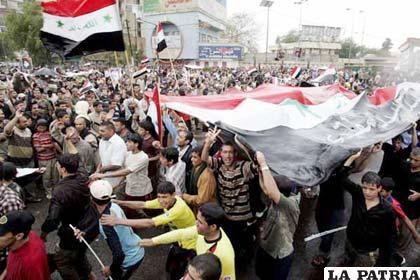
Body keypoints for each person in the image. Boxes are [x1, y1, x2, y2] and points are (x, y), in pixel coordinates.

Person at [101, 181, 196, 280]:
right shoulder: (165, 201)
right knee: (170, 267)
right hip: (177, 239)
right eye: (159, 197)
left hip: (188, 243)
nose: (161, 201)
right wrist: (120, 202)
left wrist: (117, 220)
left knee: (177, 271)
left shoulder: (178, 209)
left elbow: (150, 223)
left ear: (173, 195)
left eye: (164, 197)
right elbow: (143, 204)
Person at [201, 128, 259, 265]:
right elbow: (205, 159)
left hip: (242, 219)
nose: (228, 156)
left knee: (245, 244)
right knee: (230, 244)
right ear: (220, 154)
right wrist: (207, 144)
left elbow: (257, 166)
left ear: (236, 154)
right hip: (226, 216)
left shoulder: (243, 167)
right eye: (225, 152)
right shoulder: (219, 164)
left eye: (231, 152)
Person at [140, 202, 236, 280]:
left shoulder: (224, 253)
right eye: (197, 219)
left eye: (200, 222)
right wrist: (153, 241)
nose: (195, 223)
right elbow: (181, 234)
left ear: (213, 226)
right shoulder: (205, 231)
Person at [41, 154, 97, 280]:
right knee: (80, 256)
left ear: (63, 169)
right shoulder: (83, 177)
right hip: (88, 227)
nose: (56, 166)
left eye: (58, 165)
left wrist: (44, 233)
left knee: (63, 262)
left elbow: (53, 219)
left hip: (72, 231)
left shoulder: (60, 190)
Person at [76, 180, 144, 280]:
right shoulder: (111, 204)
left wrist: (111, 269)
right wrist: (85, 232)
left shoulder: (107, 225)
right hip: (137, 248)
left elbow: (119, 255)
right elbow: (99, 221)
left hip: (130, 258)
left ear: (91, 198)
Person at [339, 151, 397, 266]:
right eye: (364, 188)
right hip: (350, 242)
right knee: (347, 263)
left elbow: (390, 235)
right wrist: (352, 158)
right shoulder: (358, 193)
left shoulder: (387, 209)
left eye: (371, 189)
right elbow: (341, 177)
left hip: (367, 250)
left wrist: (384, 262)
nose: (367, 192)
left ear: (379, 188)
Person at [255, 152, 300, 280]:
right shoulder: (279, 197)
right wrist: (259, 169)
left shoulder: (291, 204)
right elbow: (265, 188)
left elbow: (271, 191)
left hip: (280, 255)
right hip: (266, 247)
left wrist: (264, 164)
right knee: (262, 275)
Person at [91, 134, 153, 218]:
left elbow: (127, 171)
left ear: (136, 144)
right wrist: (118, 184)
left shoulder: (143, 157)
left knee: (147, 207)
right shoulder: (128, 154)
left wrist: (103, 175)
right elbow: (125, 170)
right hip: (130, 187)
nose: (126, 144)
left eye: (129, 142)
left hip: (141, 188)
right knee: (130, 208)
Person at [0, 211, 50, 280]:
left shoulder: (31, 264)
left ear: (19, 236)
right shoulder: (27, 236)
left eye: (1, 235)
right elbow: (11, 263)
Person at [4, 110, 40, 202]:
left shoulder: (28, 130)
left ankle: (29, 197)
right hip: (16, 161)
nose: (27, 123)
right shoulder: (13, 130)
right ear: (17, 123)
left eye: (27, 121)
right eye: (24, 122)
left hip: (28, 161)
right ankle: (19, 200)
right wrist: (16, 117)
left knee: (28, 181)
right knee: (18, 181)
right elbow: (7, 130)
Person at [379, 177, 420, 245]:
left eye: (382, 191)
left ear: (389, 192)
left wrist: (415, 235)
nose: (379, 192)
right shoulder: (376, 196)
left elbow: (405, 218)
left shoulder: (394, 204)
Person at [182, 146, 217, 212]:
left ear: (203, 158)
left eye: (195, 157)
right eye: (191, 157)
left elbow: (202, 200)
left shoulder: (207, 175)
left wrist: (184, 196)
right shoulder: (195, 168)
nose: (192, 159)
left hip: (207, 210)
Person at [32, 119, 58, 199]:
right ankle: (49, 192)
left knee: (55, 176)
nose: (42, 128)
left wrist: (44, 146)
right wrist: (49, 146)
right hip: (43, 159)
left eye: (43, 126)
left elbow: (54, 144)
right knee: (46, 177)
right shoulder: (35, 136)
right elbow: (38, 149)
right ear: (37, 127)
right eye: (40, 126)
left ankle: (56, 191)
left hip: (53, 158)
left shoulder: (49, 134)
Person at [96, 121, 127, 187]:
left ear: (111, 131)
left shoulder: (118, 143)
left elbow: (117, 165)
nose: (100, 133)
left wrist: (101, 170)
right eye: (99, 131)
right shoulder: (102, 140)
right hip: (104, 178)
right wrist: (97, 170)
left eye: (102, 131)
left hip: (116, 180)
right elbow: (103, 158)